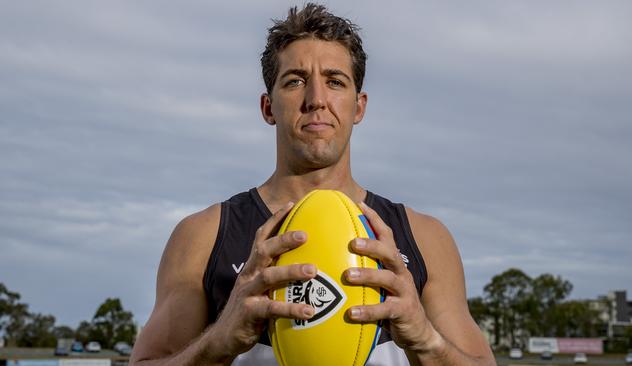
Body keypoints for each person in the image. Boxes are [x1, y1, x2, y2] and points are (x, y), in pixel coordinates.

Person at [130, 3, 495, 366]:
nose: (316, 100)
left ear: (359, 107)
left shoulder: (423, 237)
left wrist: (427, 340)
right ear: (268, 107)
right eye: (295, 81)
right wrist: (220, 340)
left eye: (335, 82)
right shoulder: (205, 235)